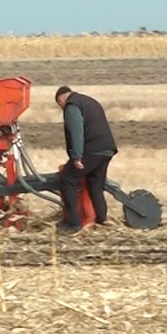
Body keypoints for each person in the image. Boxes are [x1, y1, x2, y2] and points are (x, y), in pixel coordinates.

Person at [55, 86, 118, 234]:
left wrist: (77, 157)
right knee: (95, 183)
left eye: (60, 106)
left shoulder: (72, 106)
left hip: (92, 149)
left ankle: (73, 223)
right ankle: (102, 218)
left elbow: (77, 131)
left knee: (66, 178)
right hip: (107, 149)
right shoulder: (89, 101)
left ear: (61, 100)